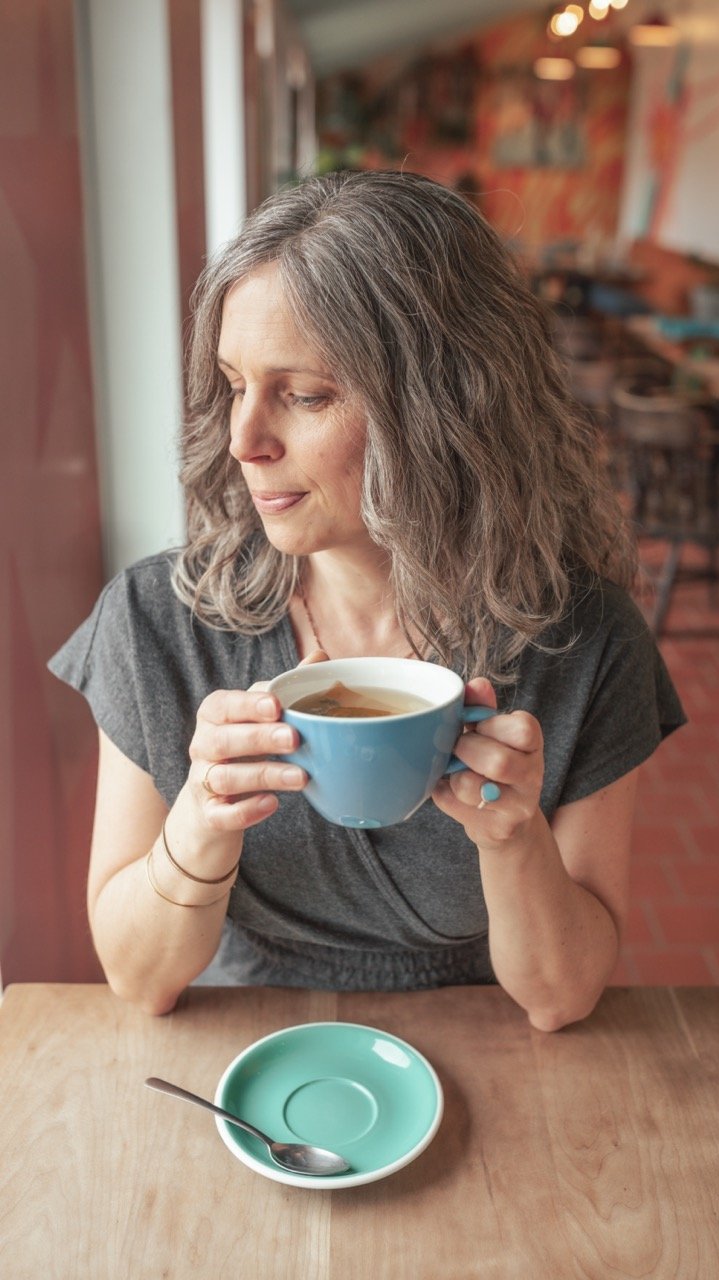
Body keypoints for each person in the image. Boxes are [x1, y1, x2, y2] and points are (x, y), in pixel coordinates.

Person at [49, 169, 685, 1027]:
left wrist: (512, 838)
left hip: (490, 1051)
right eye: (235, 384)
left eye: (303, 395)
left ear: (444, 409)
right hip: (246, 1047)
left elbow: (559, 997)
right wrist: (199, 823)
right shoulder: (159, 624)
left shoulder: (583, 643)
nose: (243, 439)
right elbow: (139, 979)